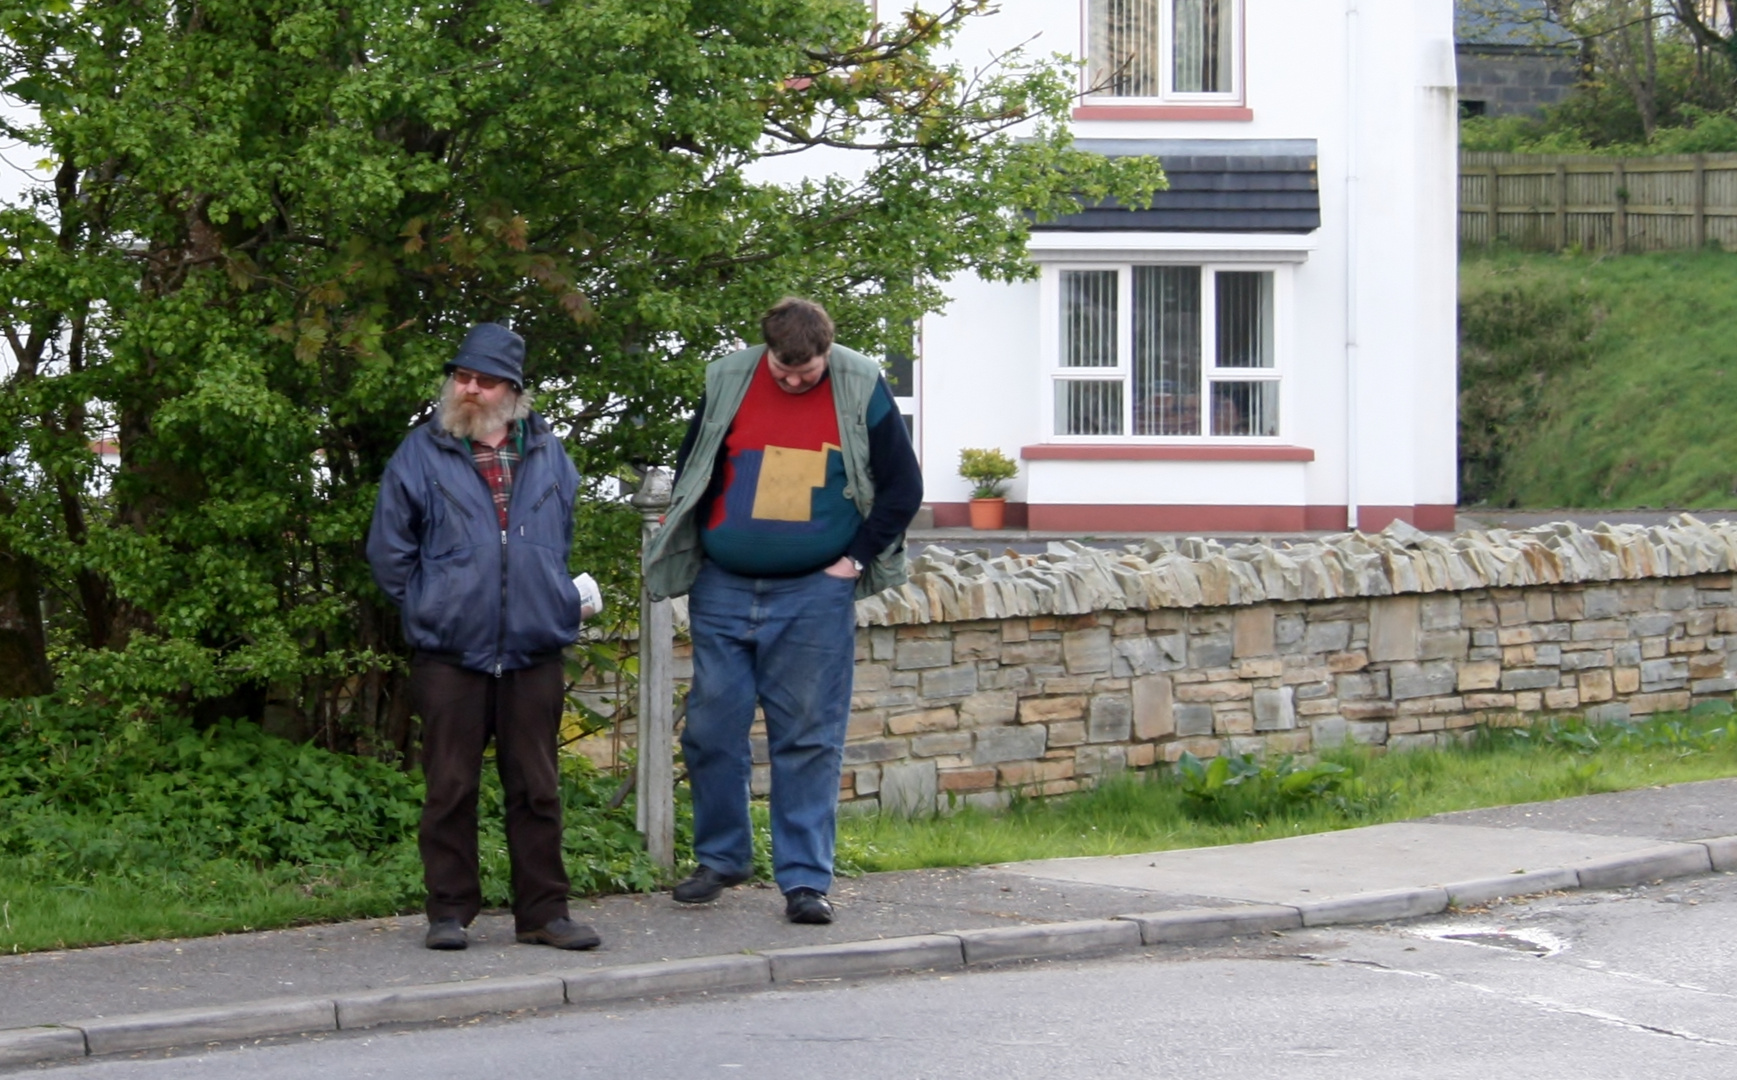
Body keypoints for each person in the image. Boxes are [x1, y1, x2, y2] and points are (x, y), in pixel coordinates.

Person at [643, 297, 923, 925]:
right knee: (711, 730)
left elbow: (904, 486)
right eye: (783, 369)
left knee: (807, 737)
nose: (794, 381)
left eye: (807, 371)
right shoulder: (729, 378)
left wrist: (851, 561)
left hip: (813, 593)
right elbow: (696, 467)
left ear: (828, 351)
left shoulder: (859, 381)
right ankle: (721, 858)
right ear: (765, 347)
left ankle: (803, 881)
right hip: (723, 586)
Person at [367, 322, 601, 952]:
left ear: (513, 391)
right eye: (461, 377)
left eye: (483, 380)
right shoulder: (420, 452)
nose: (468, 388)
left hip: (533, 647)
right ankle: (448, 911)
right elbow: (390, 550)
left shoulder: (550, 453)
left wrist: (549, 594)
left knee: (538, 786)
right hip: (450, 650)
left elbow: (559, 538)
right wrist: (432, 604)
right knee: (449, 786)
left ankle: (544, 914)